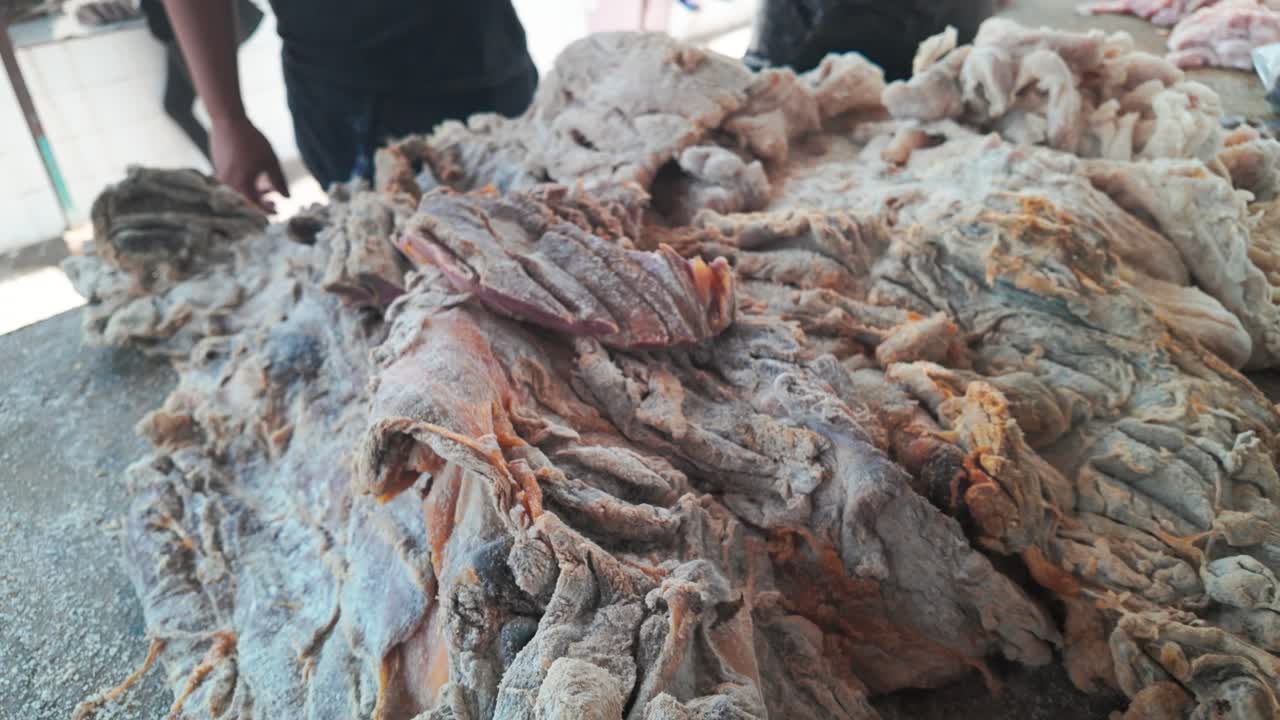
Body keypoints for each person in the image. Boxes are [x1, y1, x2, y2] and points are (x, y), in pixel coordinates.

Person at [160, 0, 538, 210]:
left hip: (498, 62)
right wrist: (227, 118)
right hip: (357, 101)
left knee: (537, 219)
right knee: (398, 265)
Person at [139, 0, 263, 161]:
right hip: (186, 29)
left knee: (222, 112)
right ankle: (230, 168)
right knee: (177, 106)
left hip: (196, 29)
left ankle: (243, 167)